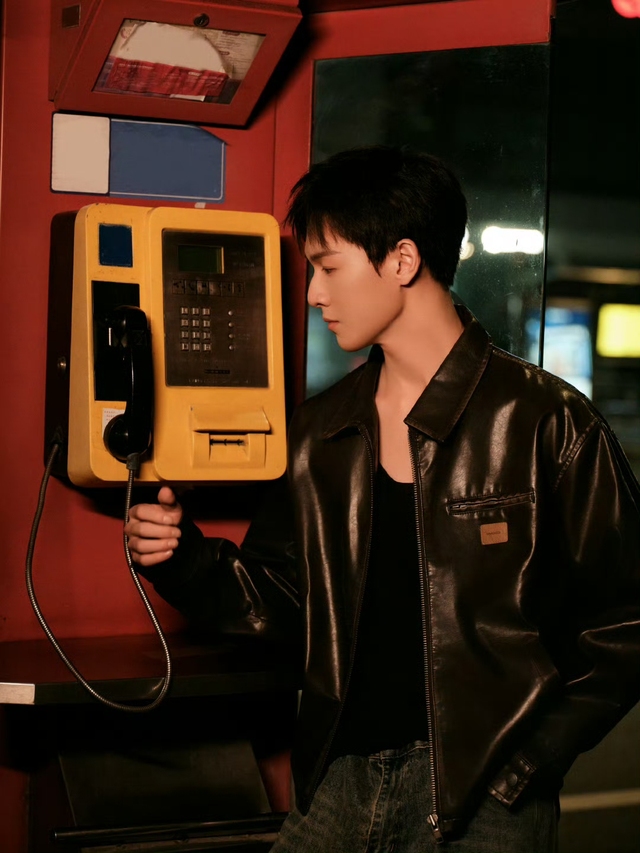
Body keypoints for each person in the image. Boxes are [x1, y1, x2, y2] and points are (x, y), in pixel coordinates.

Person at [126, 146, 640, 852]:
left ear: (402, 260)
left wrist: (530, 761)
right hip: (340, 786)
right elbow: (282, 601)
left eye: (328, 266)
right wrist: (182, 558)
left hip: (484, 799)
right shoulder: (320, 431)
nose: (313, 293)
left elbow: (626, 619)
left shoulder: (546, 421)